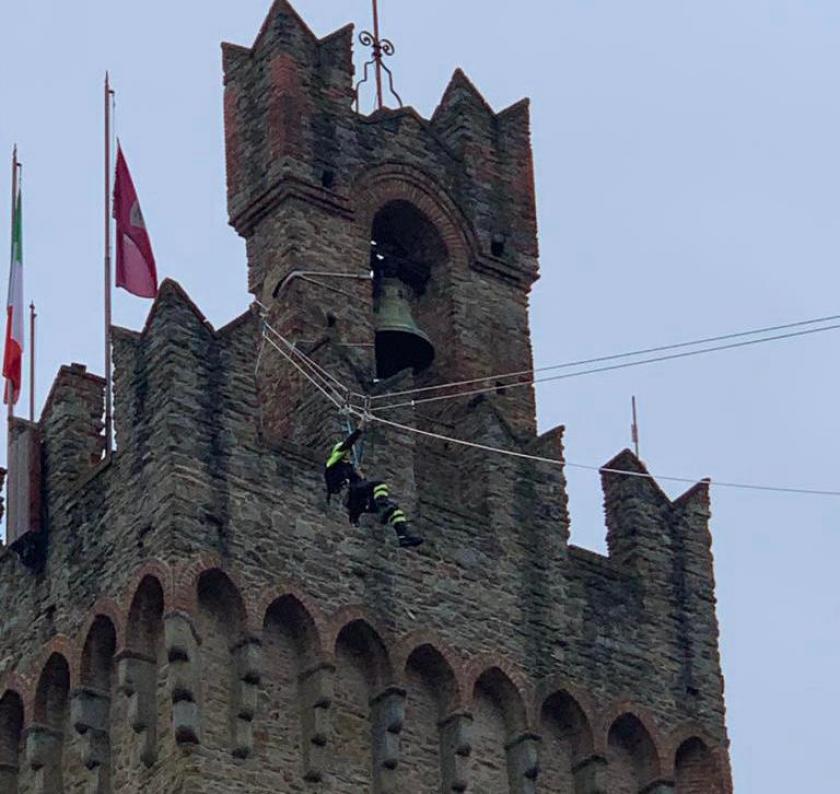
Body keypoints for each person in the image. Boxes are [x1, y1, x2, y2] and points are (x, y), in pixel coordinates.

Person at [324, 423, 423, 549]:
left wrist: (361, 476)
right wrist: (360, 426)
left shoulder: (352, 470)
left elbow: (364, 488)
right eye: (347, 452)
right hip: (348, 494)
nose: (349, 454)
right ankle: (383, 506)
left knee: (395, 509)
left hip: (357, 502)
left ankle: (403, 535)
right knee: (379, 484)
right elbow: (348, 443)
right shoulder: (333, 463)